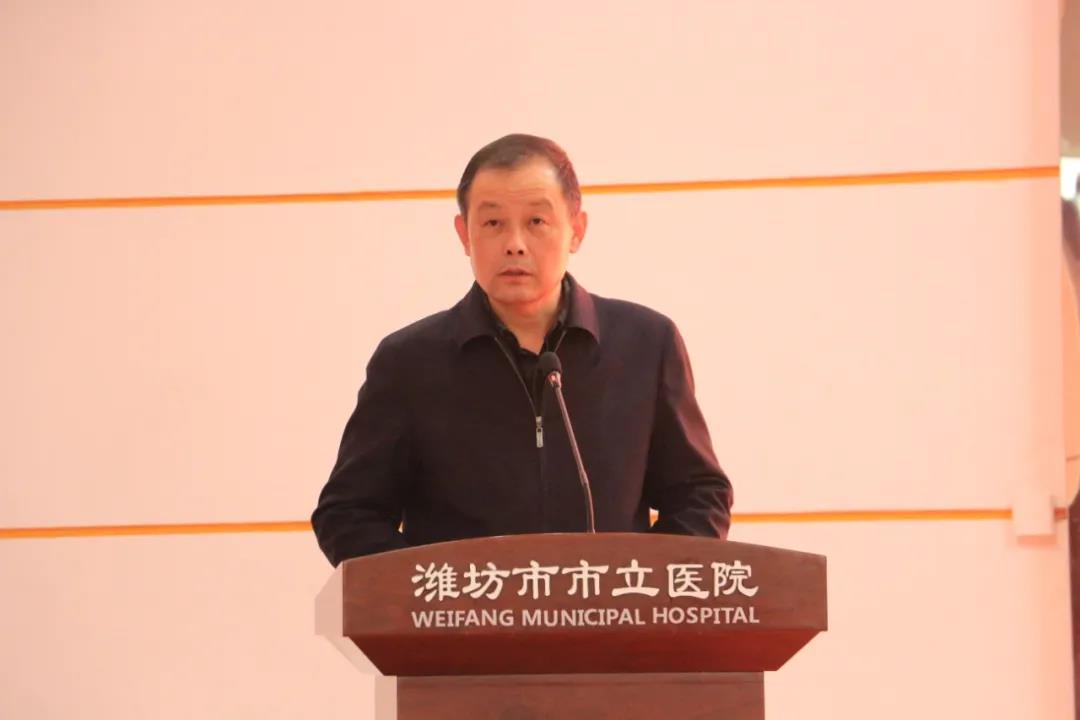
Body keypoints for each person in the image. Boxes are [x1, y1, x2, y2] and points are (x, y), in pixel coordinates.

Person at [311, 134, 732, 566]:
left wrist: (643, 582)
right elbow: (348, 514)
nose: (515, 243)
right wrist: (426, 589)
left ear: (576, 231)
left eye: (536, 221)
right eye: (493, 223)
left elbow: (699, 495)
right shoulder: (409, 362)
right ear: (464, 234)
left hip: (612, 607)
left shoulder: (645, 344)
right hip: (463, 608)